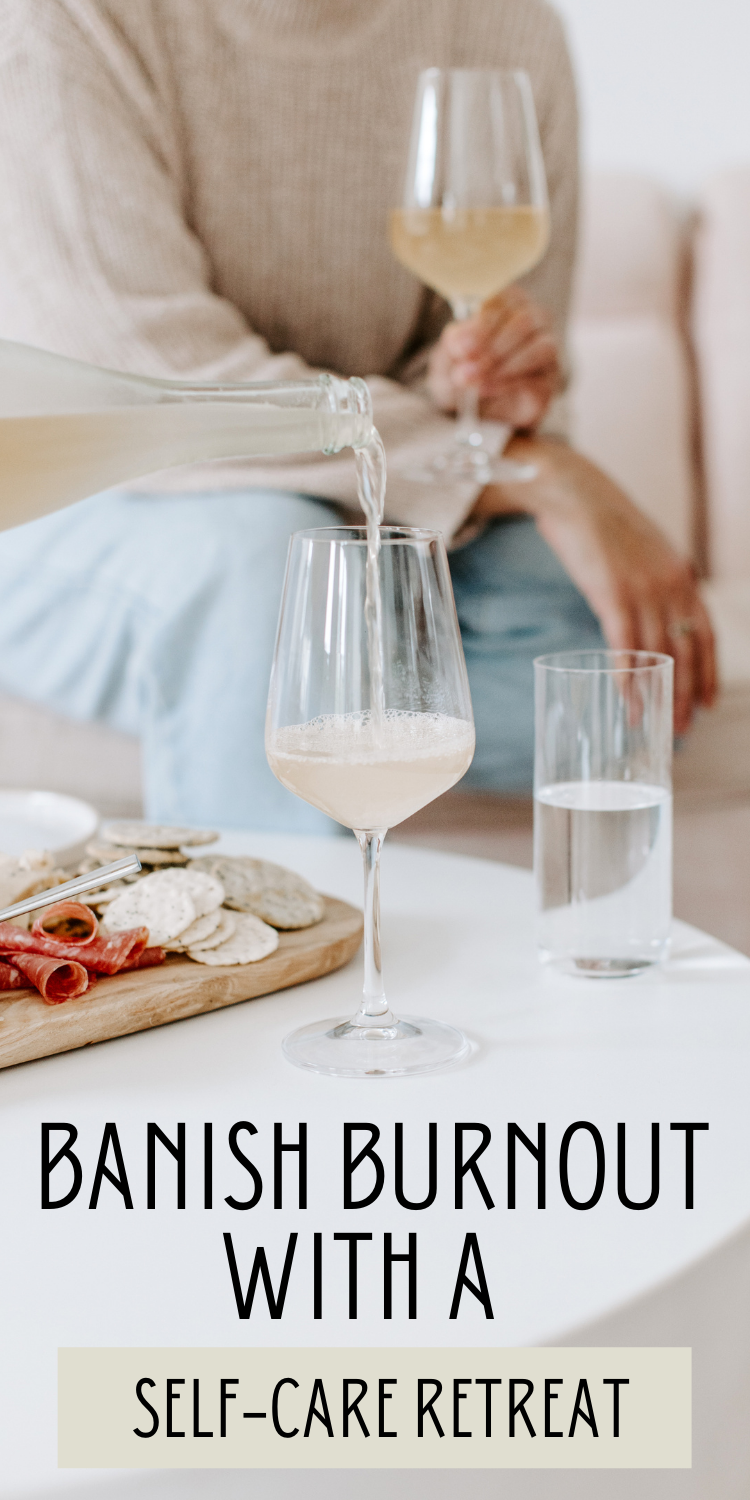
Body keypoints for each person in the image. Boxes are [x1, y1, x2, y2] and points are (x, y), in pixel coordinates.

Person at [0, 0, 715, 830]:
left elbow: (487, 367)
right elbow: (159, 384)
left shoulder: (505, 26)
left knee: (619, 662)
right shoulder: (68, 20)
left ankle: (560, 944)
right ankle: (267, 941)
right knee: (261, 561)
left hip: (358, 492)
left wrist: (471, 387)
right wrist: (511, 465)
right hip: (99, 499)